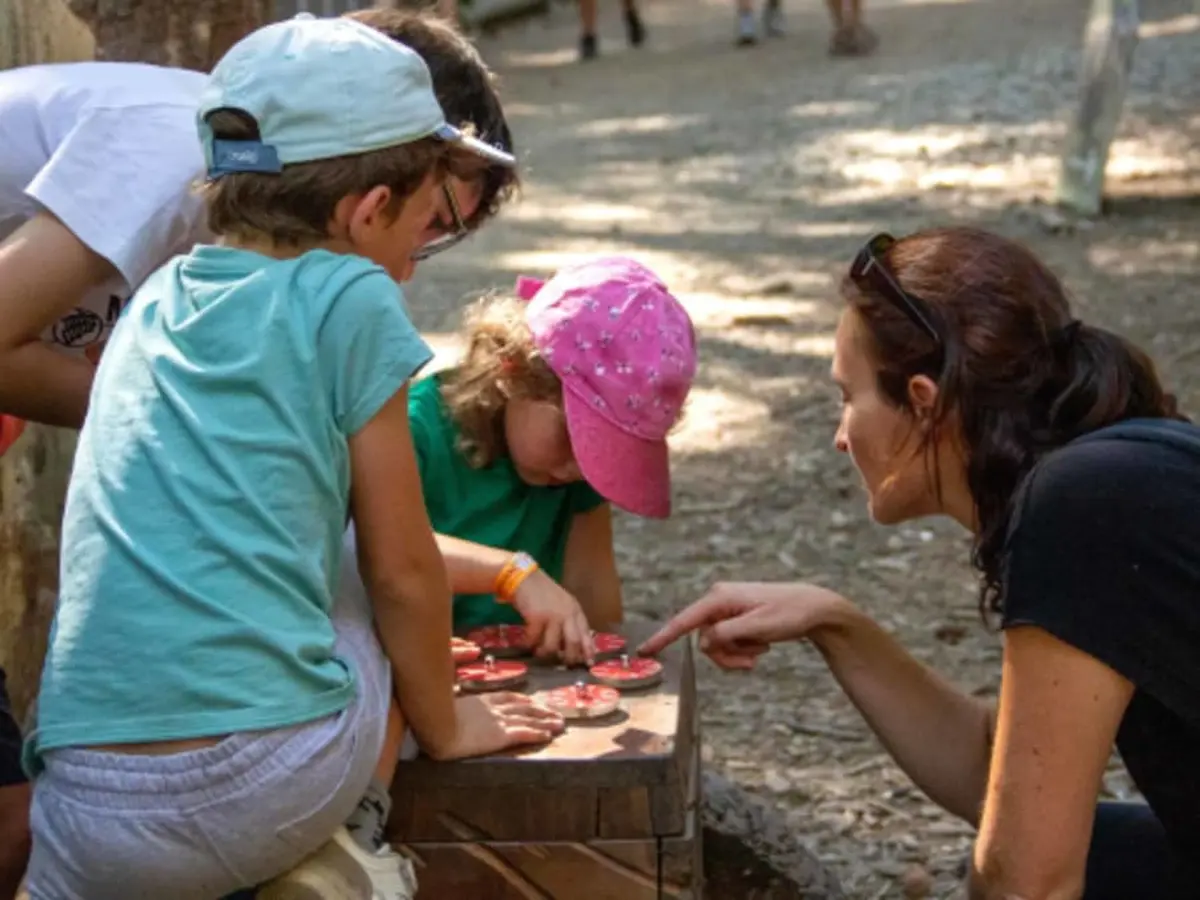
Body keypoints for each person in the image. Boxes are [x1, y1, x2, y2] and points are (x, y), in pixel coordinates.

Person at [22, 16, 563, 900]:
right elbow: (400, 571)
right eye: (426, 225)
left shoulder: (157, 298)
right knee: (357, 552)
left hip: (82, 799)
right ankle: (353, 838)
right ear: (368, 209)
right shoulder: (348, 296)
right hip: (261, 782)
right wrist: (450, 723)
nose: (413, 267)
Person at [641, 227, 1198, 899]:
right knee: (1103, 853)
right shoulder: (1112, 479)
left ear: (925, 403)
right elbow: (1003, 778)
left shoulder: (1079, 506)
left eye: (849, 397)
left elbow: (1030, 879)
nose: (840, 437)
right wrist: (835, 623)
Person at [387, 258, 696, 665]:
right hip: (404, 671)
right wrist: (513, 574)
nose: (577, 469)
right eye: (574, 438)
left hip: (521, 670)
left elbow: (592, 590)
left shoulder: (570, 469)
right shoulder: (414, 431)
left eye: (603, 452)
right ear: (512, 370)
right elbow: (380, 550)